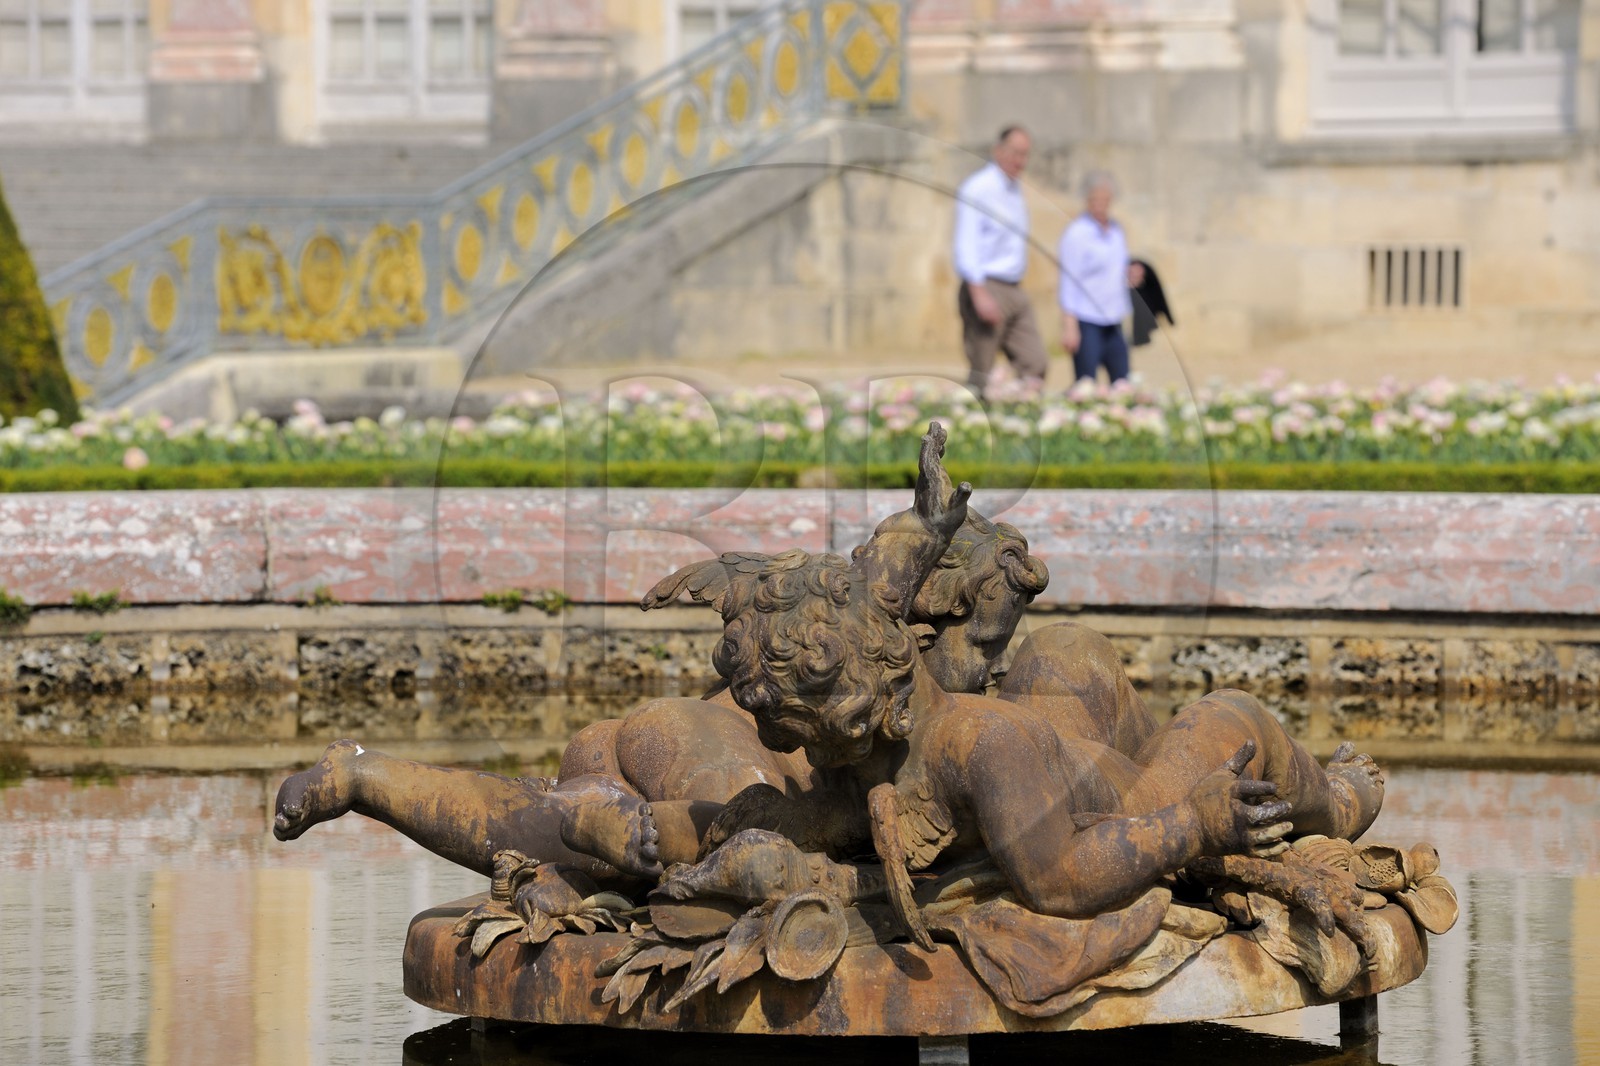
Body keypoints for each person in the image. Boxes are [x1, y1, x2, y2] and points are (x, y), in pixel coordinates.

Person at [953, 126, 1049, 398]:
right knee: (982, 369)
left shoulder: (1015, 189)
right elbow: (966, 244)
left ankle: (1021, 423)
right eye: (1016, 153)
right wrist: (978, 293)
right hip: (986, 285)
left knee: (1035, 361)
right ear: (998, 151)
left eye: (1025, 155)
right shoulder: (978, 188)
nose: (1021, 161)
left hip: (1014, 287)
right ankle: (975, 427)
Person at [1059, 170, 1144, 384]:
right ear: (1087, 200)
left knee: (1123, 383)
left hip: (1114, 318)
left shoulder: (1117, 231)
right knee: (1086, 386)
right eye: (1094, 198)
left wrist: (1132, 275)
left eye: (1104, 198)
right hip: (1087, 319)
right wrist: (1070, 326)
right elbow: (1068, 281)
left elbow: (1117, 271)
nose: (1100, 203)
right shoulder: (1077, 233)